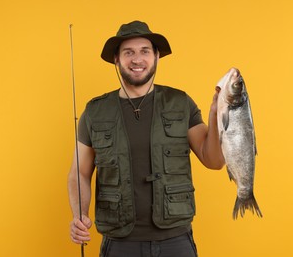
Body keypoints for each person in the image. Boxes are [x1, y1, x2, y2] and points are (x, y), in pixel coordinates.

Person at [68, 20, 225, 257]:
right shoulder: (95, 111)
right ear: (117, 60)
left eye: (144, 51)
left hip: (176, 241)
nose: (137, 59)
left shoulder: (181, 103)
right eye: (128, 52)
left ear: (156, 57)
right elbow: (79, 172)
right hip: (119, 243)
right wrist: (80, 215)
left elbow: (213, 160)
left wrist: (215, 116)